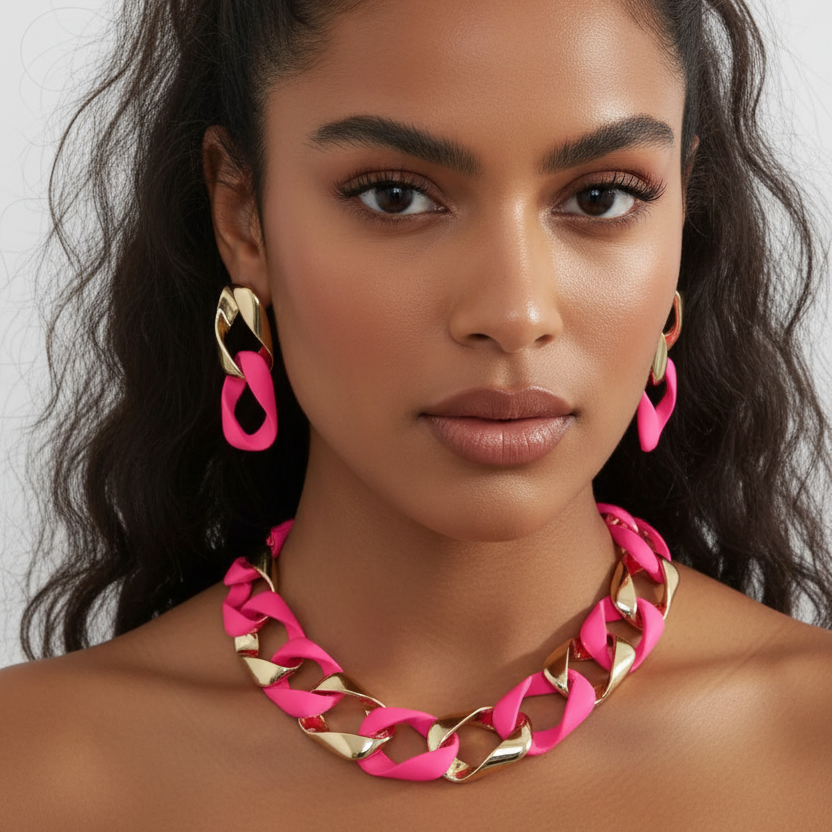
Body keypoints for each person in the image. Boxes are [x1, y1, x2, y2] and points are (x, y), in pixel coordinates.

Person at [1, 0, 831, 826]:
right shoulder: (29, 765)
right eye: (395, 196)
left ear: (683, 207)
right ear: (242, 215)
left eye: (601, 198)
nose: (514, 312)